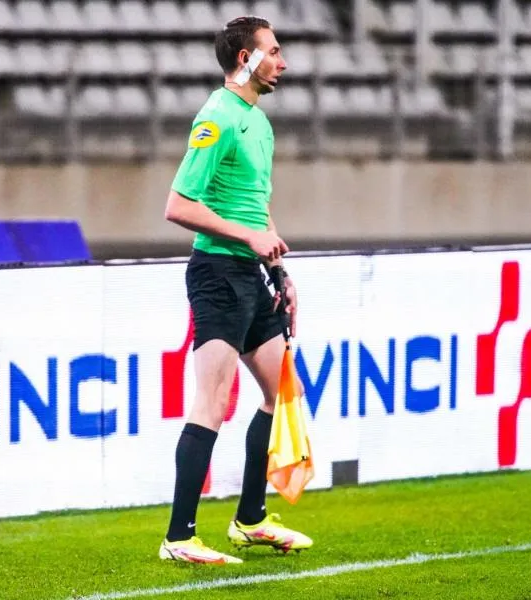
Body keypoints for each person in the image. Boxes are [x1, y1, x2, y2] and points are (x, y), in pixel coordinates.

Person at [158, 16, 313, 565]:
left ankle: (248, 521)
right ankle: (178, 536)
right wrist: (248, 237)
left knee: (278, 395)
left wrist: (278, 271)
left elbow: (254, 203)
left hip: (252, 275)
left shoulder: (258, 121)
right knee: (214, 402)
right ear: (245, 58)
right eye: (274, 51)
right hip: (218, 274)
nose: (283, 61)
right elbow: (178, 206)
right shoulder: (217, 117)